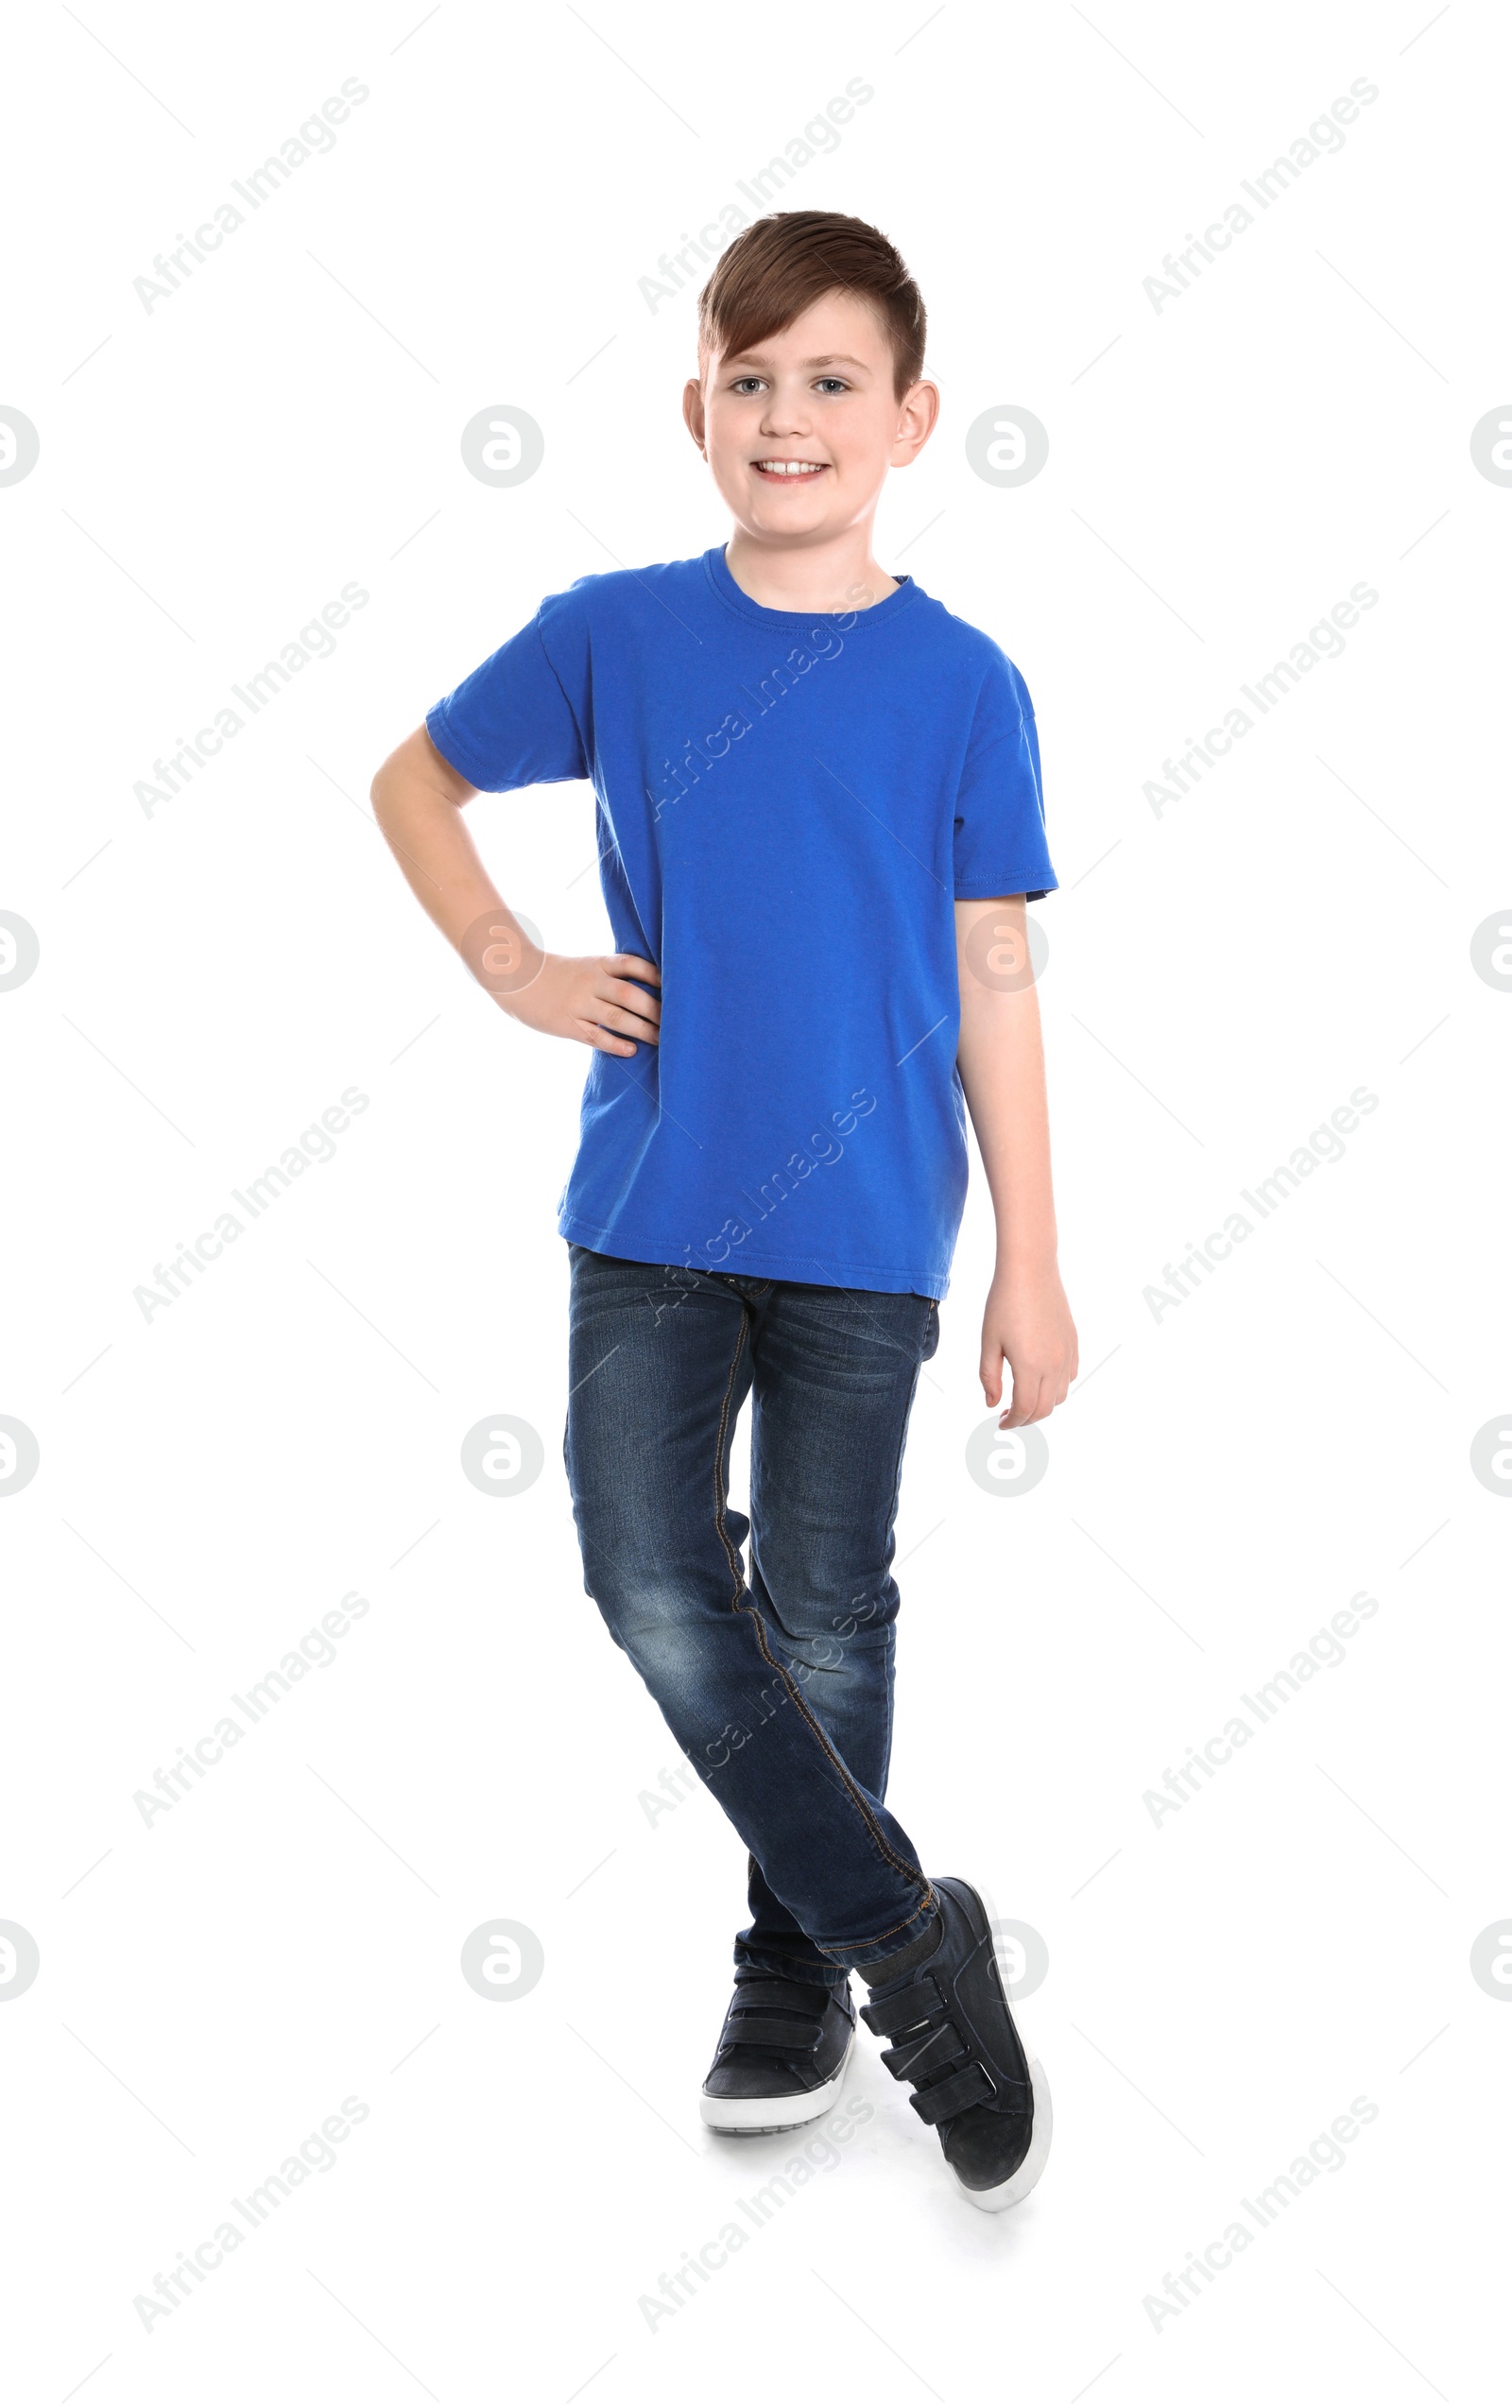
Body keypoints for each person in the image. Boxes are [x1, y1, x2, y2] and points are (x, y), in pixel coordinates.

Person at [370, 210, 1077, 2211]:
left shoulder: (961, 682)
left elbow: (998, 972)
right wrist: (514, 964)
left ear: (909, 415)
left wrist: (1031, 1250)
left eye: (829, 379)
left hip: (866, 1225)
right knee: (649, 1569)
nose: (785, 415)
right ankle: (900, 1932)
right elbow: (412, 781)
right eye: (747, 379)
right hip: (653, 1204)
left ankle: (791, 1954)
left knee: (827, 1604)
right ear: (697, 407)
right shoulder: (616, 629)